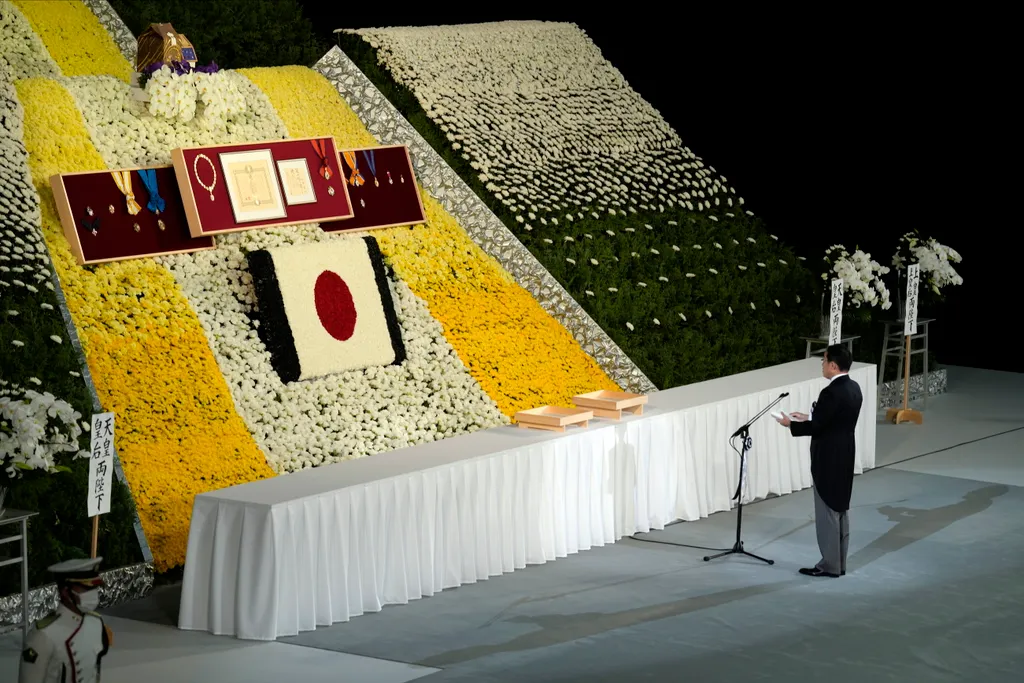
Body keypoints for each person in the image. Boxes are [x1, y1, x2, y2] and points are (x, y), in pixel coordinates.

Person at [776, 344, 862, 577]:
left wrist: (790, 424)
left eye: (824, 361)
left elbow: (817, 427)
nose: (822, 365)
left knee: (827, 511)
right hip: (845, 453)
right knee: (840, 507)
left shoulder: (831, 392)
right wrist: (810, 415)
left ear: (833, 366)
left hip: (828, 456)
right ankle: (839, 562)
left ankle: (829, 565)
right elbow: (831, 419)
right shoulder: (854, 388)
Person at [19, 557, 113, 683]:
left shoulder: (96, 623)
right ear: (65, 591)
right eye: (86, 588)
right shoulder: (42, 635)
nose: (93, 593)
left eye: (94, 587)